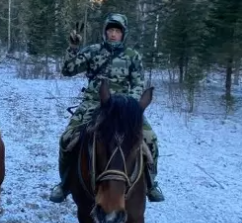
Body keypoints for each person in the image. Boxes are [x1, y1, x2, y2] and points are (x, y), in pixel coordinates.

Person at [49, 13, 164, 204]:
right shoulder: (93, 51)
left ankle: (151, 185)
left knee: (151, 139)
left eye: (117, 31)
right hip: (93, 103)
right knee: (67, 139)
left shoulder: (133, 56)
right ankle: (65, 183)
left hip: (125, 106)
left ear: (123, 34)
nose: (113, 34)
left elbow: (138, 84)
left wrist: (130, 106)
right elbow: (67, 70)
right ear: (105, 32)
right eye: (110, 30)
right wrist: (73, 47)